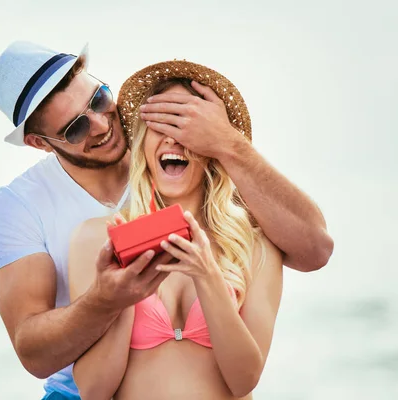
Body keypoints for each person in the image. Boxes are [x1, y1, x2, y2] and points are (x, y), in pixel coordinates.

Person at [0, 41, 333, 399]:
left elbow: (315, 249)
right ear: (40, 143)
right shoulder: (23, 207)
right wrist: (107, 300)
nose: (103, 124)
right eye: (75, 128)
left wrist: (228, 143)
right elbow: (34, 352)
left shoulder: (192, 164)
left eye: (100, 99)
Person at [69, 62, 283, 399]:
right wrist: (117, 299)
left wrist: (209, 277)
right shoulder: (96, 239)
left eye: (184, 125)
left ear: (212, 146)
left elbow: (244, 380)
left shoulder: (254, 246)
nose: (172, 137)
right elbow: (93, 389)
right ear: (141, 142)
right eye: (160, 125)